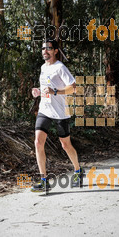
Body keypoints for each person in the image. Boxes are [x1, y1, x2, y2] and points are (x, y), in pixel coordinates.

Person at [31, 38, 84, 192]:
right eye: (43, 49)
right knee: (38, 143)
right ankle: (43, 180)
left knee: (65, 144)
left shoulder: (60, 67)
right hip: (45, 110)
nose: (44, 51)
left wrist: (56, 92)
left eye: (48, 48)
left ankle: (77, 170)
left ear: (55, 51)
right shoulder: (42, 68)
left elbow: (73, 88)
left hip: (61, 112)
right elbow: (46, 88)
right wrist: (38, 92)